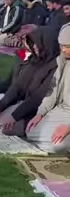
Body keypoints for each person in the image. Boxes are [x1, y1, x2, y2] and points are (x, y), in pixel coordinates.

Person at [0, 27, 60, 136]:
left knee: (10, 128)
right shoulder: (35, 60)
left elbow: (39, 97)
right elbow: (18, 86)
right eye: (32, 44)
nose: (34, 47)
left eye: (36, 44)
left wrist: (15, 116)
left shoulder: (56, 66)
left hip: (40, 109)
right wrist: (0, 106)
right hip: (24, 103)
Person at [26, 24, 70, 153]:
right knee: (32, 132)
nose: (64, 50)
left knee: (59, 145)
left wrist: (68, 127)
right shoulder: (62, 61)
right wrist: (40, 113)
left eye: (68, 46)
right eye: (62, 46)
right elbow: (53, 91)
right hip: (62, 110)